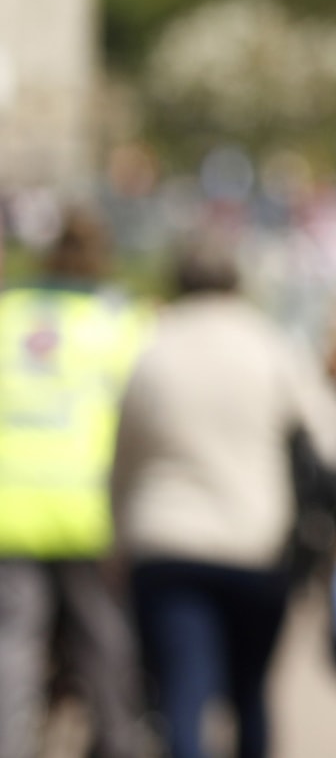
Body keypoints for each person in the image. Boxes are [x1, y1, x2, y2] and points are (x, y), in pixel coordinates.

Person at [112, 229, 336, 758]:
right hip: (256, 543)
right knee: (250, 693)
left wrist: (117, 537)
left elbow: (121, 458)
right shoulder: (270, 345)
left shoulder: (150, 346)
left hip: (165, 541)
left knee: (183, 694)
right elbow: (335, 444)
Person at [0, 210, 150, 758]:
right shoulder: (117, 320)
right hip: (91, 507)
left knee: (12, 650)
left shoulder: (8, 314)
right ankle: (117, 743)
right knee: (104, 646)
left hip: (10, 507)